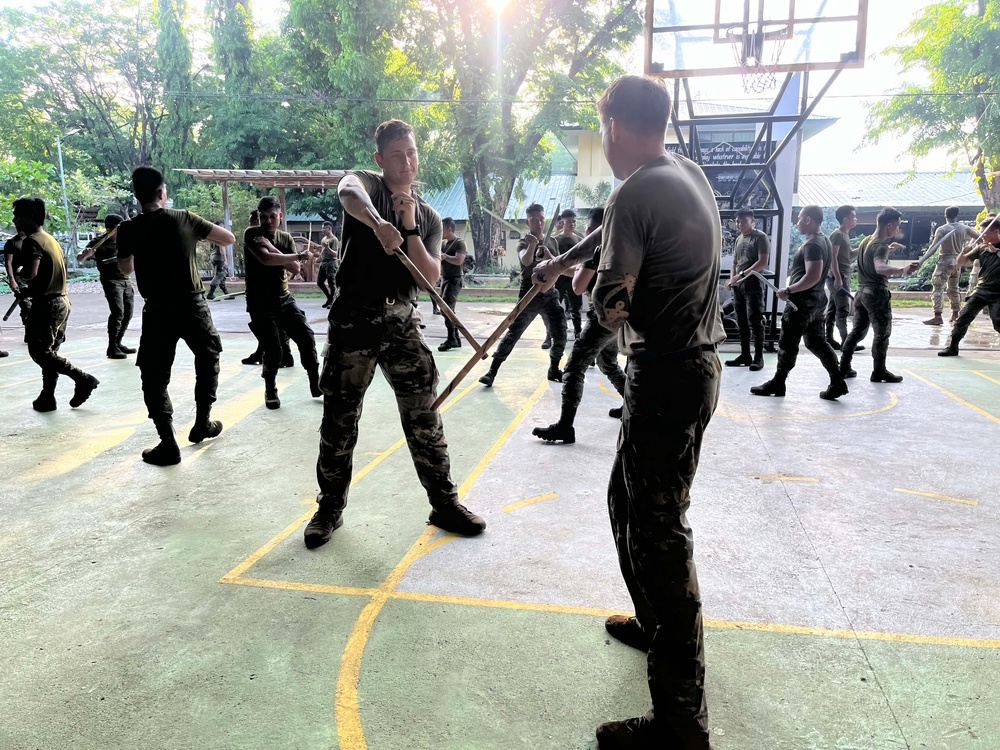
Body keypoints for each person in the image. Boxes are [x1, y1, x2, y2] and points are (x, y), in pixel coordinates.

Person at [534, 75, 722, 750]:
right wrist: (563, 259)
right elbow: (617, 224)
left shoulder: (637, 189)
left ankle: (681, 724)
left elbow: (611, 306)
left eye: (599, 128)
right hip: (694, 371)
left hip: (666, 378)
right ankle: (654, 623)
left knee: (660, 537)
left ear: (613, 128)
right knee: (627, 504)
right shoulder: (680, 172)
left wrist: (586, 286)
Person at [304, 118, 486, 549]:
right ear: (379, 159)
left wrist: (407, 229)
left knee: (425, 415)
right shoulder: (367, 184)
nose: (407, 163)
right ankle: (329, 508)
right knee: (340, 420)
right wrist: (377, 222)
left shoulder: (429, 215)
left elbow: (428, 280)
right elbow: (347, 192)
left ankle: (444, 502)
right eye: (397, 155)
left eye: (412, 154)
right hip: (354, 322)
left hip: (403, 322)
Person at [116, 167, 235, 465]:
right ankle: (202, 422)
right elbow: (228, 238)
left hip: (157, 310)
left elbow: (125, 269)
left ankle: (168, 442)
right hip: (193, 305)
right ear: (161, 193)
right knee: (208, 360)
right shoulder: (184, 218)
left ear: (137, 195)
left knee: (154, 376)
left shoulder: (128, 229)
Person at [531, 208, 625, 443]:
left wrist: (554, 266)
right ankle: (631, 405)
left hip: (602, 317)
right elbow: (578, 271)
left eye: (589, 229)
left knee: (574, 367)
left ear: (594, 230)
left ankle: (565, 426)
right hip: (620, 317)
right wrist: (554, 263)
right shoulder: (619, 246)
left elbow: (578, 286)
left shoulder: (597, 250)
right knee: (608, 362)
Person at [751, 206, 849, 400]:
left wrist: (789, 290)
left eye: (799, 218)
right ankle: (837, 381)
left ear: (808, 220)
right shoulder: (825, 240)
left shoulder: (813, 244)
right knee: (816, 342)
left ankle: (778, 383)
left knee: (788, 342)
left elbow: (813, 275)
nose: (797, 222)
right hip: (817, 300)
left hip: (803, 302)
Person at [12, 197, 100, 412]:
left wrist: (19, 274)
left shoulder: (32, 241)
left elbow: (32, 272)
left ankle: (82, 378)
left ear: (29, 217)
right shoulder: (50, 239)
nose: (14, 219)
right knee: (51, 352)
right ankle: (47, 396)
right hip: (62, 301)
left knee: (40, 353)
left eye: (18, 215)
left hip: (46, 304)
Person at [242, 196, 322, 409]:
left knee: (306, 336)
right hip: (260, 304)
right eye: (264, 217)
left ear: (280, 217)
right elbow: (266, 259)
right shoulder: (252, 234)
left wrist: (274, 247)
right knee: (273, 348)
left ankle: (315, 381)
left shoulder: (284, 238)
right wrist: (295, 255)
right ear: (259, 217)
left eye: (273, 217)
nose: (268, 221)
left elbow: (296, 270)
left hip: (283, 299)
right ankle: (270, 388)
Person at [477, 203, 567, 387]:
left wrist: (548, 255)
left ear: (545, 219)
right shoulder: (524, 242)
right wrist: (533, 246)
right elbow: (526, 261)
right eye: (534, 220)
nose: (539, 223)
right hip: (529, 295)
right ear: (528, 222)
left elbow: (558, 264)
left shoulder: (553, 241)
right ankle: (492, 372)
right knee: (513, 333)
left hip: (550, 294)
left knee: (560, 331)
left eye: (541, 219)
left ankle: (554, 369)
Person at [839, 207, 919, 383]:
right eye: (896, 226)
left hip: (861, 293)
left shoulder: (867, 241)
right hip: (876, 294)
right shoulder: (880, 245)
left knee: (857, 331)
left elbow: (873, 259)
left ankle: (843, 367)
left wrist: (888, 250)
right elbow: (879, 267)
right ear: (889, 225)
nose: (897, 230)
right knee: (882, 333)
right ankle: (879, 371)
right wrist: (902, 270)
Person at [939, 215, 1000, 356]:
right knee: (963, 317)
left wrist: (996, 252)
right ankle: (953, 347)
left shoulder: (993, 248)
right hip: (982, 289)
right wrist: (963, 251)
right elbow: (962, 262)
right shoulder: (981, 248)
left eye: (985, 233)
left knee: (998, 322)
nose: (981, 235)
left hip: (999, 292)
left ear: (996, 231)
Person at [77, 214, 136, 358]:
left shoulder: (125, 240)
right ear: (111, 228)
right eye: (117, 228)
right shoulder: (99, 241)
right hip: (111, 281)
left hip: (126, 279)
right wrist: (85, 254)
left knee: (128, 313)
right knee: (118, 313)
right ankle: (112, 347)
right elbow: (81, 257)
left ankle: (118, 342)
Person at [241, 209, 293, 368]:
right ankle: (263, 352)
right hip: (257, 292)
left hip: (275, 292)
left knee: (277, 327)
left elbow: (290, 265)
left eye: (256, 219)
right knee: (264, 327)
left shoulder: (280, 238)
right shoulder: (252, 237)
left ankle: (285, 355)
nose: (253, 223)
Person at [725, 208, 770, 371]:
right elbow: (734, 262)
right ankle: (745, 354)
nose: (740, 224)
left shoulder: (760, 237)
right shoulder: (739, 239)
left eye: (744, 221)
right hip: (739, 286)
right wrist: (732, 278)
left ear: (752, 221)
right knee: (741, 321)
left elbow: (762, 262)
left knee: (755, 321)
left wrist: (741, 275)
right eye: (738, 221)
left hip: (753, 285)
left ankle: (759, 357)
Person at [923, 206, 979, 326]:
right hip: (957, 261)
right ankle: (955, 313)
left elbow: (934, 247)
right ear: (956, 215)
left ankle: (937, 315)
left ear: (945, 215)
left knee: (938, 286)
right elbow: (979, 237)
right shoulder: (964, 228)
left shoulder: (942, 229)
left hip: (945, 260)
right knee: (953, 287)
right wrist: (969, 248)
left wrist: (922, 261)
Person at [825, 204, 862, 350]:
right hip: (838, 276)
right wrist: (837, 277)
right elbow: (832, 256)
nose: (856, 219)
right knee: (842, 309)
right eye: (853, 216)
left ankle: (829, 339)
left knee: (833, 308)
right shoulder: (838, 234)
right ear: (845, 219)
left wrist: (862, 247)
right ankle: (846, 342)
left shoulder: (844, 234)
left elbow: (848, 254)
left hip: (841, 275)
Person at [437, 216, 467, 351]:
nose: (440, 231)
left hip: (455, 279)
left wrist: (445, 256)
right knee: (448, 309)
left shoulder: (460, 243)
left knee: (446, 308)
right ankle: (455, 338)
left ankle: (451, 339)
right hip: (445, 278)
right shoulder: (443, 243)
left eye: (442, 228)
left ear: (449, 229)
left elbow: (459, 260)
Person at [554, 208, 584, 339]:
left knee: (576, 309)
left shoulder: (579, 240)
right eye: (569, 222)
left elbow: (583, 259)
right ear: (562, 222)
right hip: (558, 279)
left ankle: (578, 333)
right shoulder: (555, 240)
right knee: (553, 309)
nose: (572, 224)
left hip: (574, 278)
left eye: (574, 222)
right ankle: (550, 336)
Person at [4, 232, 32, 341]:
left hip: (33, 277)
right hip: (19, 278)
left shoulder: (33, 240)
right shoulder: (12, 243)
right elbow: (8, 262)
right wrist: (11, 279)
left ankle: (35, 332)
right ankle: (29, 332)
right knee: (26, 305)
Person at [316, 221, 340, 309]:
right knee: (319, 282)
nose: (322, 230)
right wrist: (319, 257)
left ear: (329, 228)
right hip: (324, 262)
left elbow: (335, 254)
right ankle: (329, 298)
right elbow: (323, 250)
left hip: (331, 263)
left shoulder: (334, 239)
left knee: (331, 284)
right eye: (322, 228)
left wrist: (328, 248)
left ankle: (333, 302)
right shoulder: (324, 239)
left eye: (324, 228)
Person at [206, 226, 230, 300]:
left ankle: (226, 293)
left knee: (221, 275)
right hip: (219, 257)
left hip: (214, 256)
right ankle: (210, 293)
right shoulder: (220, 236)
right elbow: (222, 248)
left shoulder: (212, 236)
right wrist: (225, 259)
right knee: (220, 274)